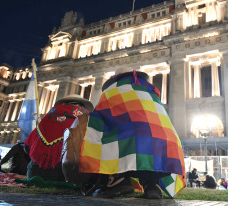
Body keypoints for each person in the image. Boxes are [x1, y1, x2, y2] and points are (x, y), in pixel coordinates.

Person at [78, 69, 186, 199]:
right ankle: (152, 184)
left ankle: (117, 180)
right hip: (167, 143)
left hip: (132, 140)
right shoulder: (150, 92)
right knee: (143, 140)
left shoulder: (114, 90)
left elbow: (100, 116)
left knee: (103, 133)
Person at [24, 94, 93, 181]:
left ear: (63, 104)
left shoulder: (46, 119)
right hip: (67, 176)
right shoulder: (87, 120)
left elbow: (27, 147)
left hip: (35, 173)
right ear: (81, 106)